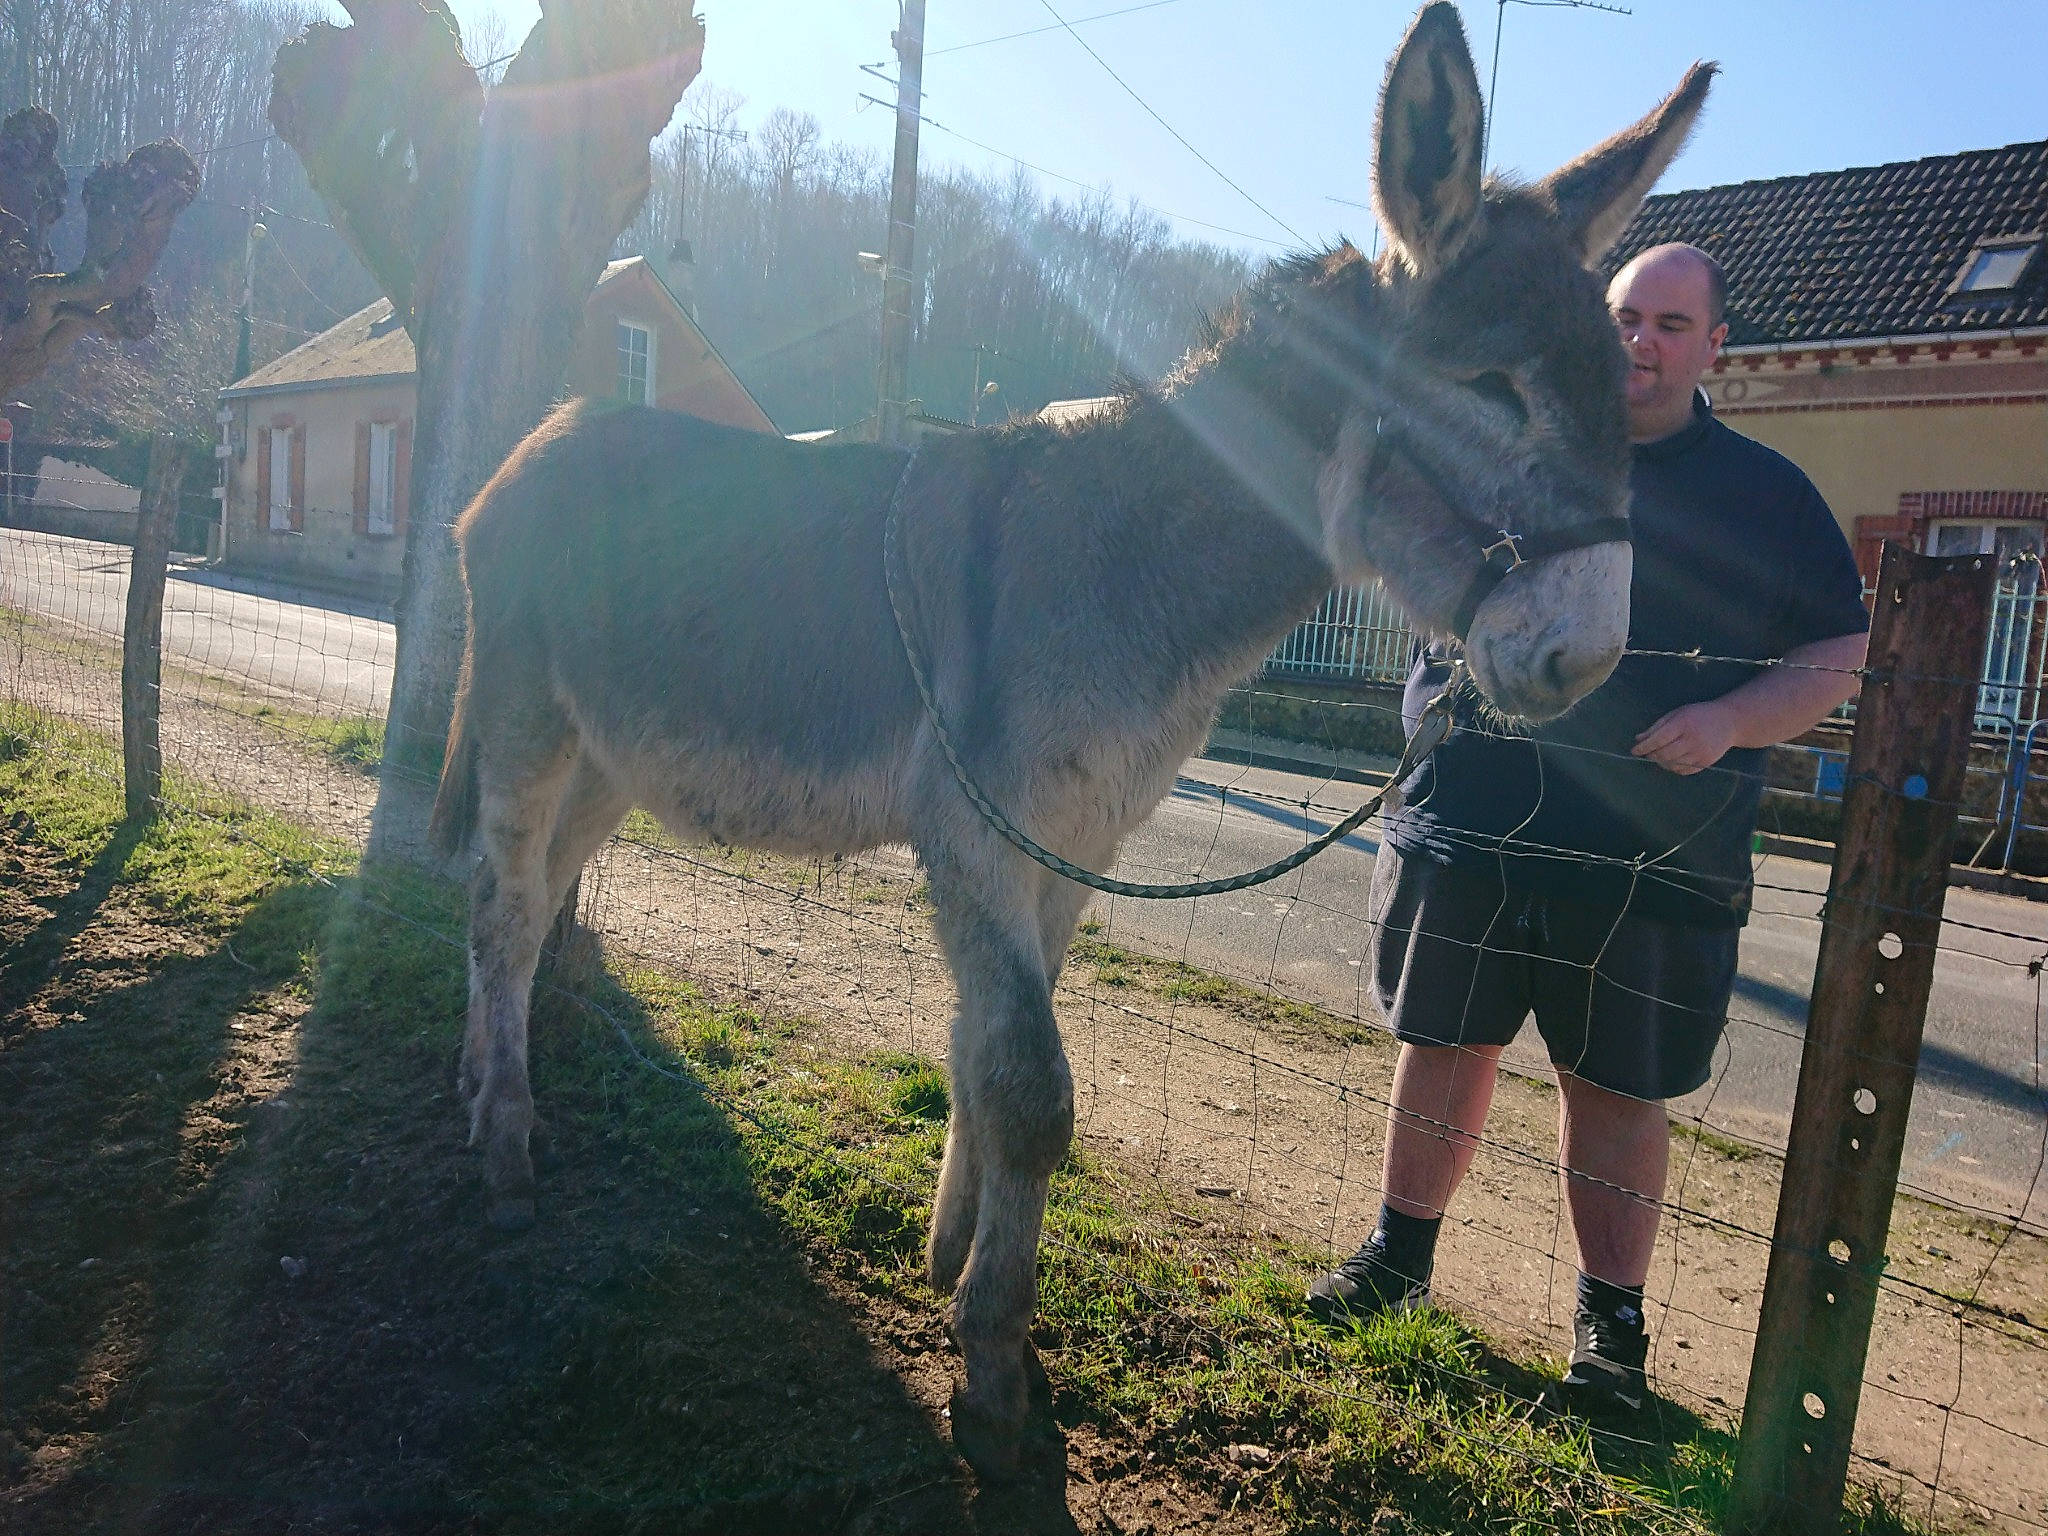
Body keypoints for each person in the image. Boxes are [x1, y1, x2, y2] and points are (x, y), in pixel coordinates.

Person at [1305, 243, 1872, 1418]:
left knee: (1611, 1088)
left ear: (1715, 347)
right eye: (1621, 317)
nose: (1638, 342)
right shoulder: (1499, 455)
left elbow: (1835, 649)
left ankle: (1608, 1341)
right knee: (1441, 1046)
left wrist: (1726, 718)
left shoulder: (1766, 496)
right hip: (1467, 819)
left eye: (1669, 323)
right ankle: (1395, 1261)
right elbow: (1410, 577)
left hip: (1652, 851)